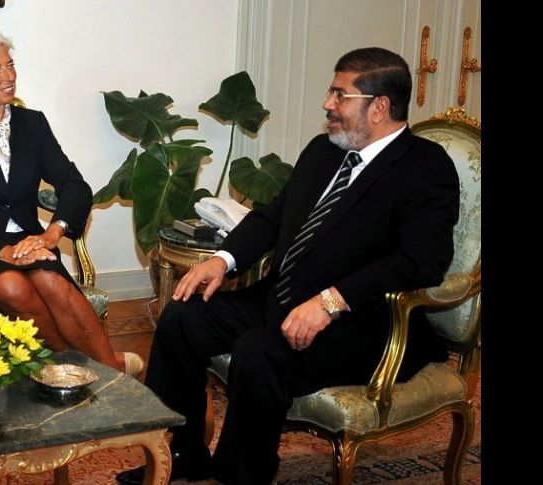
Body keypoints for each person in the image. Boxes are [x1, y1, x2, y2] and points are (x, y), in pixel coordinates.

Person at [117, 47, 459, 484]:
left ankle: (239, 476)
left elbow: (423, 261)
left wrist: (332, 301)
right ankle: (182, 453)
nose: (327, 104)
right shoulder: (324, 151)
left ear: (379, 107)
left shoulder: (425, 167)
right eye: (330, 92)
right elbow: (274, 216)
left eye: (340, 95)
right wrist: (223, 259)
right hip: (283, 295)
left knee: (258, 352)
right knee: (182, 317)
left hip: (363, 323)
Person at [0, 25, 143, 377]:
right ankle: (94, 370)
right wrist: (3, 251)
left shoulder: (32, 125)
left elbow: (74, 185)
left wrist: (52, 234)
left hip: (27, 239)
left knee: (51, 280)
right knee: (11, 285)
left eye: (10, 65)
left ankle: (104, 377)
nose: (9, 76)